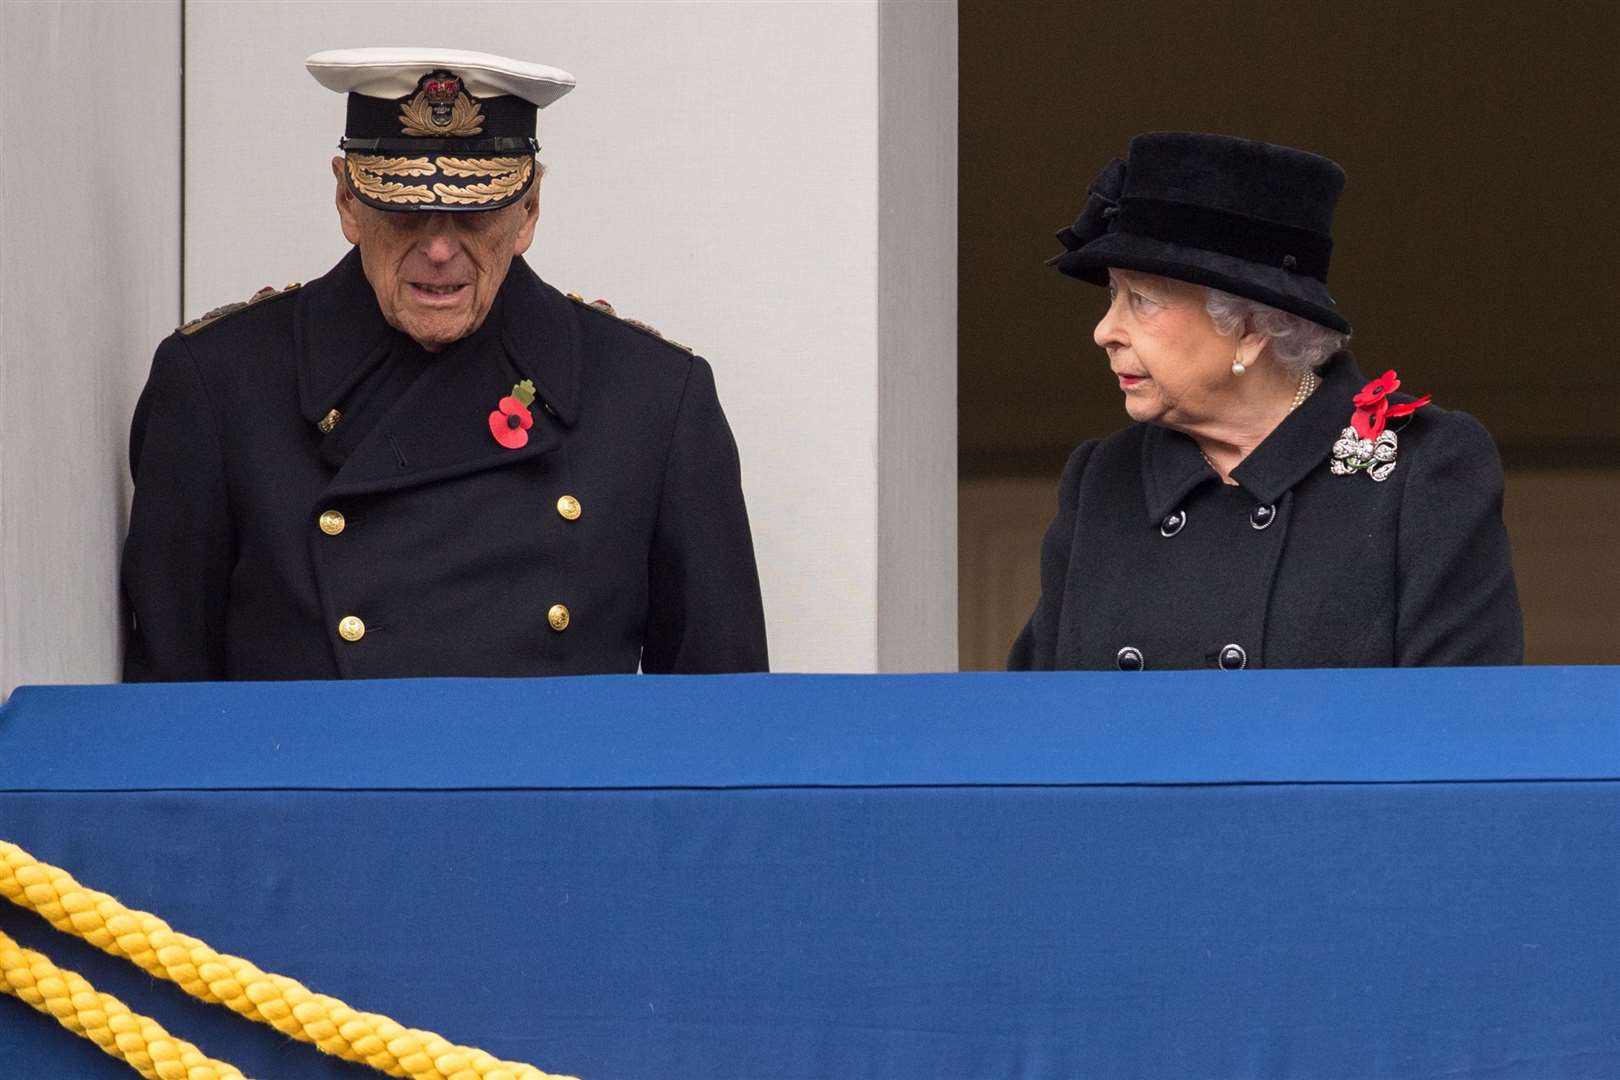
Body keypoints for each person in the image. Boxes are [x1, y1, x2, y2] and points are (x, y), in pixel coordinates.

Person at [122, 48, 768, 679]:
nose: (438, 249)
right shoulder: (220, 382)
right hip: (316, 784)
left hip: (552, 786)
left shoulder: (652, 394)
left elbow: (720, 729)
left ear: (528, 213)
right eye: (405, 212)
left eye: (474, 213)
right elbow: (167, 713)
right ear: (348, 203)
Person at [1009, 132, 1522, 670]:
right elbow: (1035, 721)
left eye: (1143, 300)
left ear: (1250, 329)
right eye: (1114, 295)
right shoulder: (1101, 480)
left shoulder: (1426, 468)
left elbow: (1460, 728)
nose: (1104, 331)